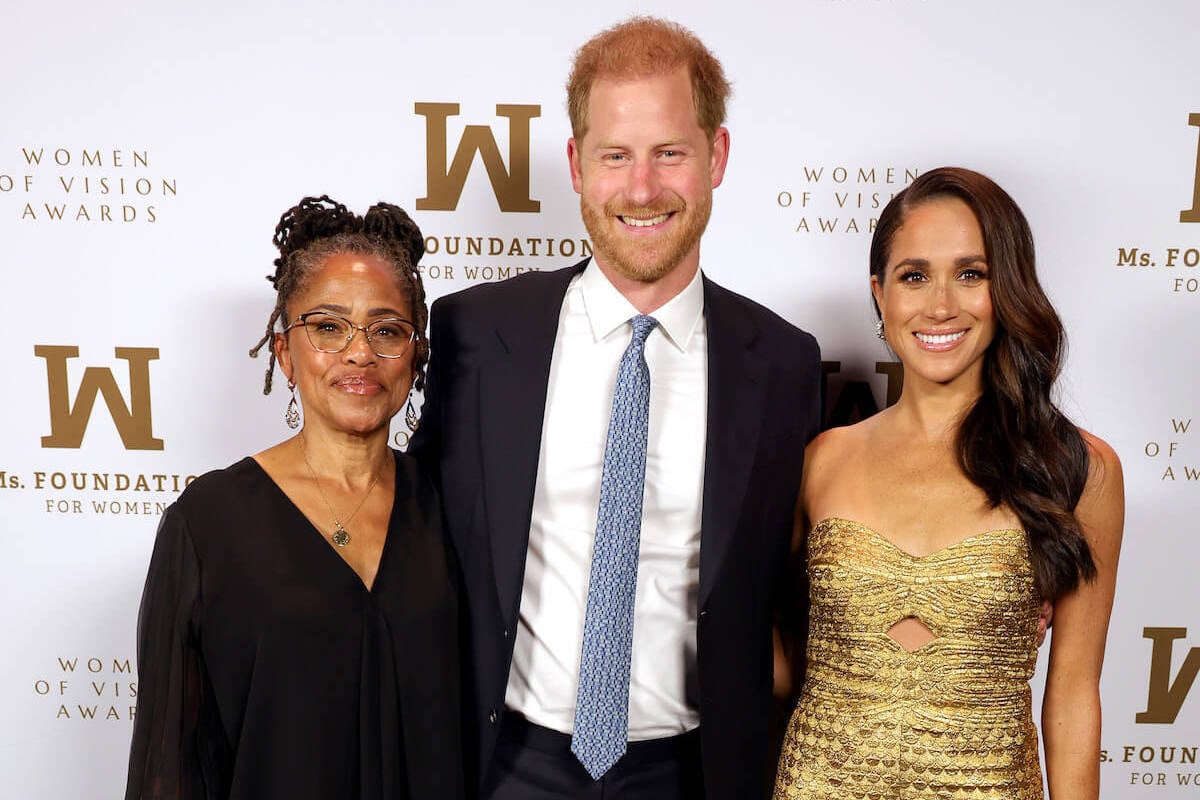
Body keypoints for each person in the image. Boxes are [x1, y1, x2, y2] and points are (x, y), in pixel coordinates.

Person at [408, 16, 822, 800]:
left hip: (692, 774)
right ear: (574, 164)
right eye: (615, 156)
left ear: (716, 157)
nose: (641, 188)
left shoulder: (783, 364)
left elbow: (808, 579)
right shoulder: (474, 335)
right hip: (503, 766)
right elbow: (409, 529)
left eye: (670, 152)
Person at [773, 167, 1124, 800]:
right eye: (914, 276)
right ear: (880, 295)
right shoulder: (823, 459)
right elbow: (777, 660)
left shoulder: (1077, 467)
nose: (940, 304)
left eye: (971, 273)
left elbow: (1072, 698)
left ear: (1007, 288)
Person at [125, 196, 463, 800]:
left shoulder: (453, 511)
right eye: (328, 327)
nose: (359, 352)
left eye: (386, 330)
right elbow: (168, 761)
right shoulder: (208, 524)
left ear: (416, 358)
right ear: (285, 353)